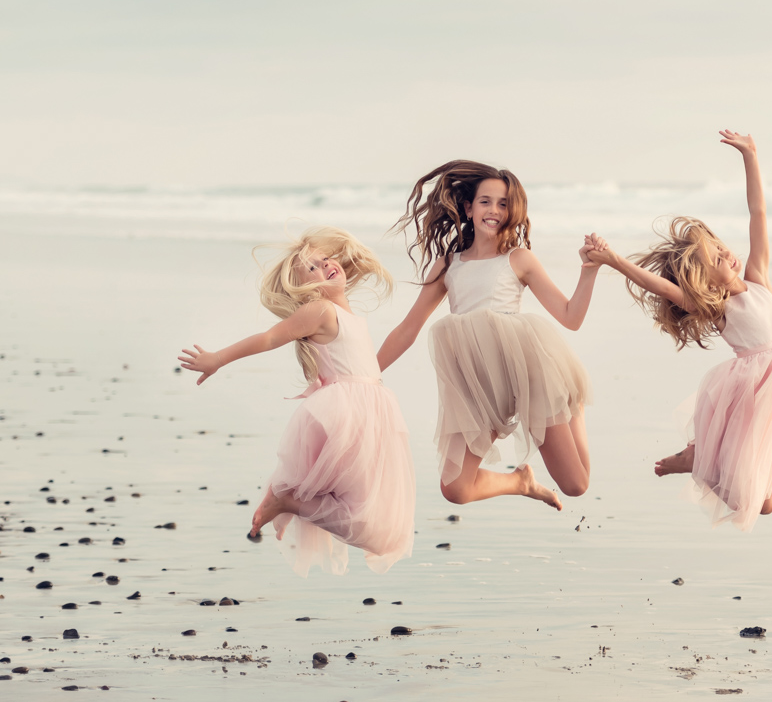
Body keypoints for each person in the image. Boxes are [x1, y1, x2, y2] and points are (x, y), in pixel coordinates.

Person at [586, 131, 772, 530]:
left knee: (769, 503)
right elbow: (662, 287)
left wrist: (750, 155)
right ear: (705, 281)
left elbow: (758, 215)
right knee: (759, 504)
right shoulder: (715, 307)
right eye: (716, 259)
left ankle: (701, 458)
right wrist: (614, 260)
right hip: (750, 392)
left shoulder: (758, 277)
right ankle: (698, 462)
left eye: (721, 247)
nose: (727, 253)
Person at [178, 227, 415, 575]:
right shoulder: (320, 311)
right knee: (376, 530)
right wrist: (218, 358)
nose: (325, 267)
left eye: (325, 260)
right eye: (312, 270)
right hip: (348, 415)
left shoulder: (346, 313)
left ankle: (286, 502)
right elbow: (270, 337)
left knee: (381, 528)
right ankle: (288, 501)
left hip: (372, 415)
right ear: (306, 290)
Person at [379, 161, 598, 509]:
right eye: (486, 201)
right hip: (479, 387)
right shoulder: (448, 265)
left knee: (575, 485)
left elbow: (570, 318)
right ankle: (519, 481)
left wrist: (589, 270)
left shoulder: (519, 259)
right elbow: (408, 328)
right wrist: (365, 374)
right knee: (455, 488)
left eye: (503, 203)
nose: (494, 210)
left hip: (531, 374)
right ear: (468, 207)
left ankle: (572, 404)